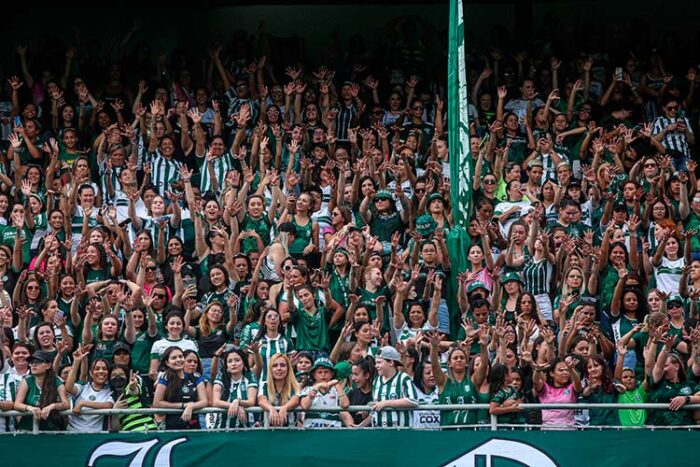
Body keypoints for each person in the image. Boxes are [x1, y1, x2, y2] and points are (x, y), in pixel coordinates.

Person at [152, 346, 208, 430]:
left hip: (194, 425)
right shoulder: (165, 377)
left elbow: (204, 401)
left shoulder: (196, 376)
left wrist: (191, 406)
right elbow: (157, 403)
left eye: (180, 356)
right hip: (172, 427)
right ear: (167, 362)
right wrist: (183, 405)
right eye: (174, 358)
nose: (178, 360)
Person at [13, 350, 70, 431]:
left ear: (48, 365)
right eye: (32, 362)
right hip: (28, 430)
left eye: (38, 362)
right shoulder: (27, 381)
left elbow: (66, 404)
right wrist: (30, 408)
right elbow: (17, 404)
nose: (34, 365)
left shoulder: (56, 381)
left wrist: (52, 406)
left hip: (51, 430)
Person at [64, 346, 114, 432]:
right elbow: (68, 388)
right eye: (97, 369)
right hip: (72, 431)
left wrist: (83, 403)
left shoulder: (110, 390)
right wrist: (76, 361)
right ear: (91, 373)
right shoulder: (84, 386)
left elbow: (108, 405)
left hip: (94, 436)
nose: (101, 371)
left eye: (104, 369)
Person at [370, 346, 418, 428]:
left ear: (391, 363)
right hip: (379, 432)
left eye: (379, 362)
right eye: (376, 363)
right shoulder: (376, 381)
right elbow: (376, 407)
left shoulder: (403, 378)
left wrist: (386, 403)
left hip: (401, 433)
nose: (376, 366)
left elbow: (413, 401)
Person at [212, 348, 258, 428]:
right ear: (226, 366)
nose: (233, 364)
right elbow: (215, 401)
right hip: (222, 427)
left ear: (243, 362)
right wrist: (234, 406)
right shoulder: (221, 376)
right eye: (230, 361)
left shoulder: (250, 376)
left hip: (246, 428)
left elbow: (251, 401)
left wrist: (237, 401)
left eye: (237, 360)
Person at [299, 357, 348, 428]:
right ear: (314, 375)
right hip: (311, 431)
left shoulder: (336, 390)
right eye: (319, 372)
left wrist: (337, 384)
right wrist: (317, 387)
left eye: (326, 372)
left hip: (333, 431)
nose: (323, 375)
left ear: (332, 374)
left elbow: (345, 405)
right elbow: (305, 406)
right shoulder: (307, 389)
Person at [257, 353, 300, 427]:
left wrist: (285, 408)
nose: (279, 368)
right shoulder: (264, 385)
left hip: (291, 431)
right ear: (270, 369)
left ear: (288, 368)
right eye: (275, 366)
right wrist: (271, 409)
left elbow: (295, 400)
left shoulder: (295, 384)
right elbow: (261, 400)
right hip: (267, 431)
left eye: (283, 365)